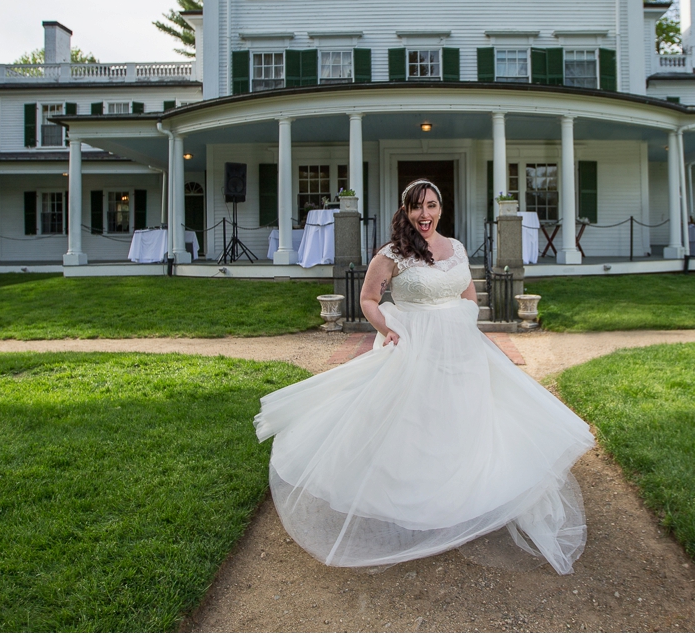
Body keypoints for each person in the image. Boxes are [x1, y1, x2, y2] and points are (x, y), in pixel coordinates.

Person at [254, 179, 594, 575]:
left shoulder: (457, 249)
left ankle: (464, 499)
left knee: (463, 419)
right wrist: (387, 328)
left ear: (441, 207)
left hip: (462, 350)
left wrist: (462, 327)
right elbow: (367, 298)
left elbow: (469, 297)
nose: (425, 214)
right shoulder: (392, 254)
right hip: (416, 347)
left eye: (431, 205)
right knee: (418, 424)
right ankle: (416, 505)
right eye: (417, 207)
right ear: (406, 210)